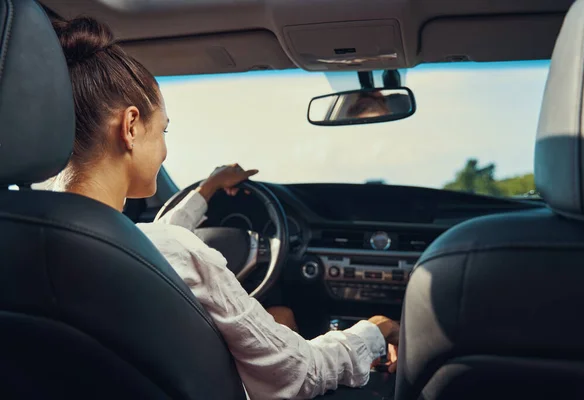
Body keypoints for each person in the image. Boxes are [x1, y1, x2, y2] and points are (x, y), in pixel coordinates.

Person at [52, 16, 400, 400]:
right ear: (131, 126)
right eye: (163, 130)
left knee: (280, 318)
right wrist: (375, 330)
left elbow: (148, 242)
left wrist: (209, 188)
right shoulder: (177, 253)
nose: (165, 148)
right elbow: (300, 373)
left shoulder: (22, 236)